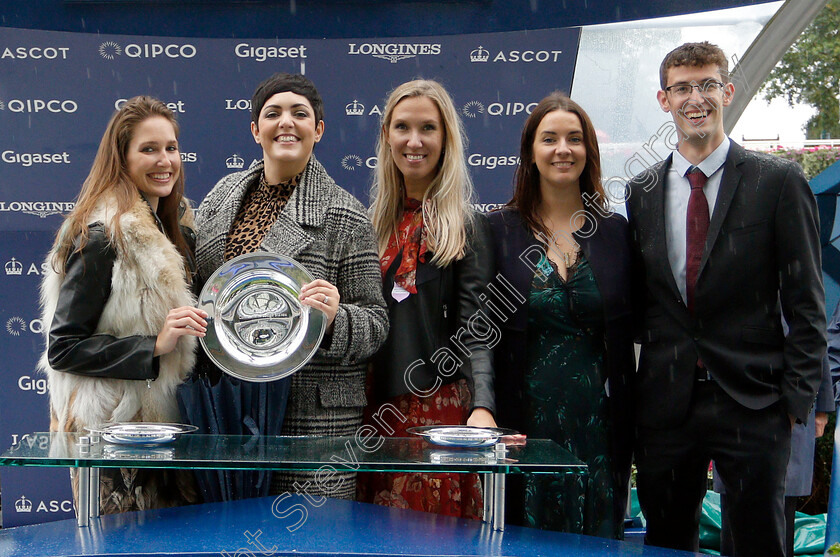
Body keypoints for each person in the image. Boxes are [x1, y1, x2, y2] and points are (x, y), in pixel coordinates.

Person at [626, 41, 826, 557]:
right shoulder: (641, 190)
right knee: (665, 544)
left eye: (708, 84)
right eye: (683, 87)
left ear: (728, 91)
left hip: (755, 403)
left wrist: (797, 401)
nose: (696, 98)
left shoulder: (778, 181)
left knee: (759, 545)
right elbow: (649, 301)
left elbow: (806, 302)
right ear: (663, 99)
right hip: (667, 407)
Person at [194, 73, 388, 500]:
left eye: (300, 114)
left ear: (317, 130)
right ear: (255, 130)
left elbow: (376, 323)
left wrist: (338, 319)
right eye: (273, 113)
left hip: (312, 419)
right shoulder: (217, 201)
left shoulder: (346, 214)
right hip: (226, 407)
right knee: (223, 536)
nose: (287, 122)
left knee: (309, 540)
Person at [39, 96, 204, 513]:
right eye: (148, 149)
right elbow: (63, 348)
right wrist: (153, 345)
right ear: (122, 159)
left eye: (171, 147)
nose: (164, 160)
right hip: (110, 440)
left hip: (161, 433)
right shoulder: (101, 236)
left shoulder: (175, 228)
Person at [487, 92, 635, 538]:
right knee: (525, 539)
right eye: (549, 139)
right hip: (523, 424)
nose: (562, 149)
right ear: (531, 153)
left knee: (593, 539)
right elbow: (479, 331)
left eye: (574, 139)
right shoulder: (498, 230)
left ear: (588, 150)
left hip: (598, 424)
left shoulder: (614, 232)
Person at [356, 79, 496, 519]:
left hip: (437, 413)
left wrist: (484, 406)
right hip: (369, 412)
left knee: (429, 537)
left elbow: (477, 326)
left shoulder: (467, 226)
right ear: (386, 136)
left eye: (428, 129)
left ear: (445, 138)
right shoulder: (367, 224)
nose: (414, 141)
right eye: (403, 127)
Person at [717, 355, 833, 557]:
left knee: (780, 506)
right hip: (734, 401)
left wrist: (822, 406)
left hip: (787, 405)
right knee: (733, 499)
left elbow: (815, 341)